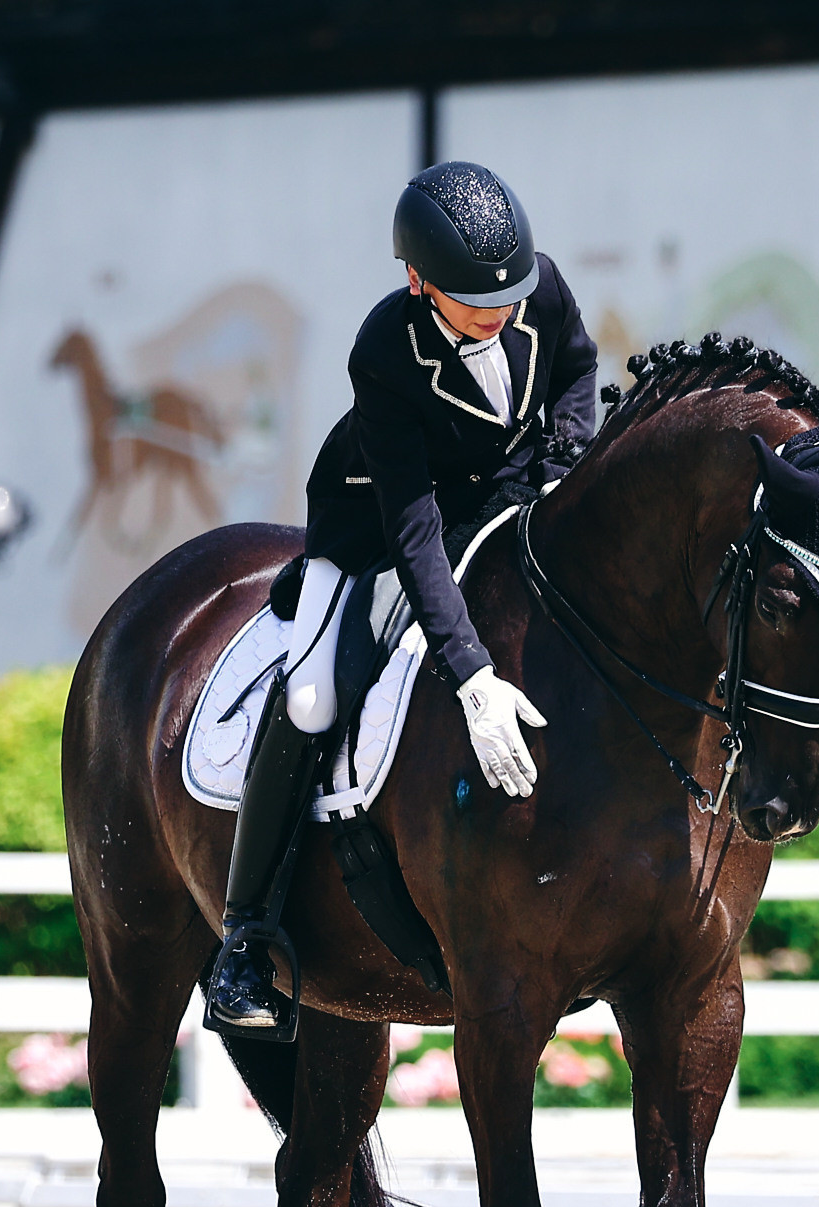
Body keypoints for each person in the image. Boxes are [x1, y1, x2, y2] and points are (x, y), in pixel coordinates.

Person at [203, 160, 601, 1036]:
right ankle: (243, 939)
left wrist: (564, 459)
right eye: (470, 303)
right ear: (418, 282)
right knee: (312, 696)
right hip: (377, 526)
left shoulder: (538, 290)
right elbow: (416, 534)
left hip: (506, 502)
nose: (498, 316)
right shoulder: (384, 350)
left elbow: (577, 368)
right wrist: (470, 674)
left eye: (510, 298)